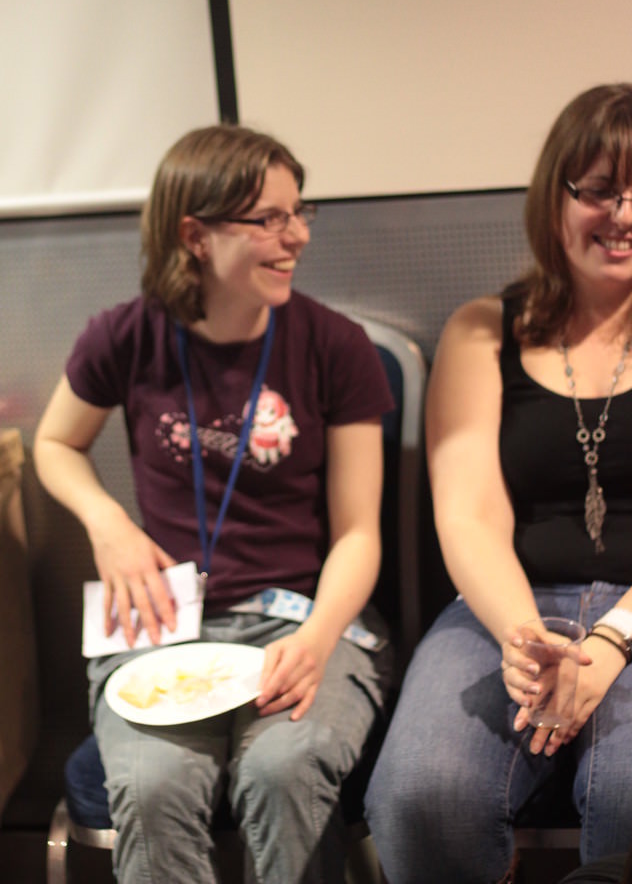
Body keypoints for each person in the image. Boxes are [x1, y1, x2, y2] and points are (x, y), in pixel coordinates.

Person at [33, 123, 394, 884]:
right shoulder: (125, 335)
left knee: (282, 772)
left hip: (301, 614)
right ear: (195, 236)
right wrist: (107, 521)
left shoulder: (334, 345)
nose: (296, 236)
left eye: (299, 213)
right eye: (269, 219)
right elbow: (54, 444)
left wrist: (320, 638)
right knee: (153, 787)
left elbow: (360, 532)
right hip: (165, 619)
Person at [364, 83, 632, 884]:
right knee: (423, 795)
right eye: (600, 190)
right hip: (507, 605)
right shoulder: (483, 329)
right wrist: (529, 641)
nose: (623, 214)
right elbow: (469, 513)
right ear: (555, 196)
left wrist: (611, 644)